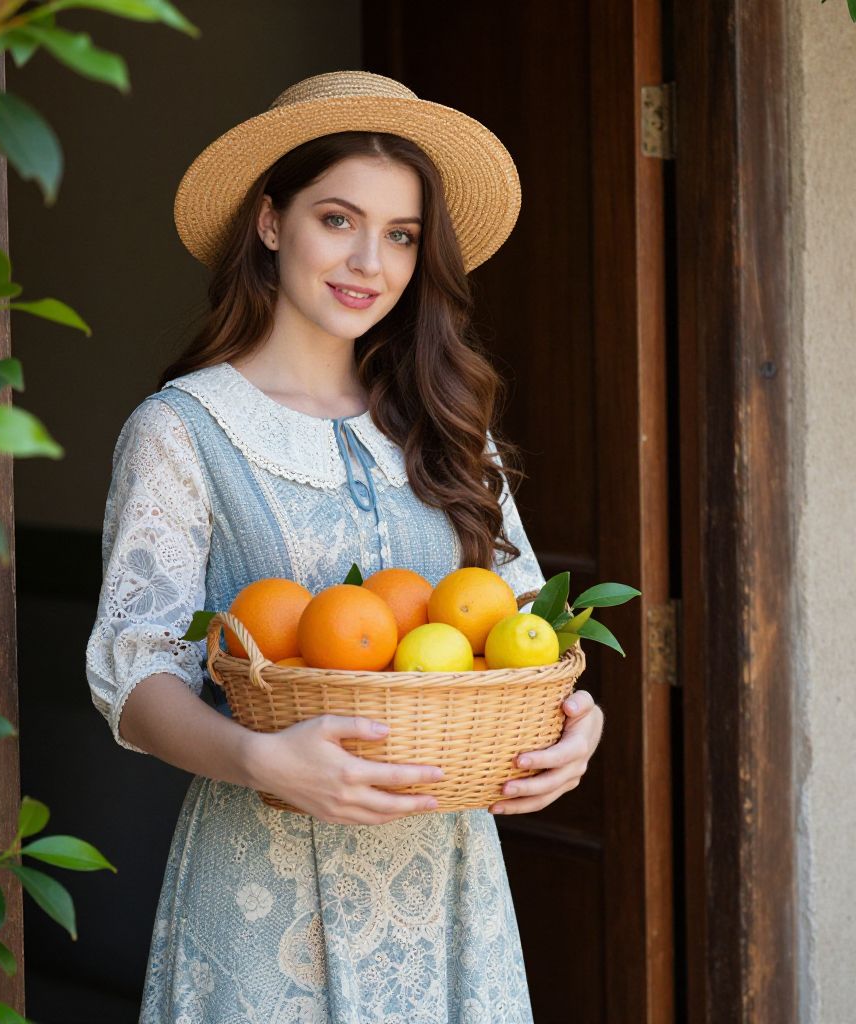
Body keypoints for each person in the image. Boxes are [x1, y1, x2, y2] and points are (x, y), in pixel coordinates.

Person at [86, 70, 604, 1023]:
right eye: (338, 219)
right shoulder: (183, 429)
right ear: (271, 222)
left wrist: (577, 725)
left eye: (401, 235)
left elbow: (524, 626)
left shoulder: (446, 425)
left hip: (446, 878)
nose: (371, 259)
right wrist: (261, 761)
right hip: (263, 885)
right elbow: (133, 675)